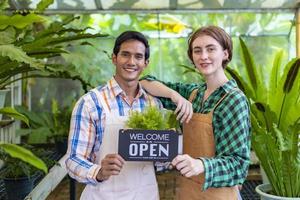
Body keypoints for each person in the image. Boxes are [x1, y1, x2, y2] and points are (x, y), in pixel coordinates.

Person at [140, 25, 251, 200]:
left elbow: (238, 165)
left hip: (219, 194)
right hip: (188, 190)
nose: (203, 56)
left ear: (225, 54)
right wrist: (173, 95)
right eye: (197, 50)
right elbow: (145, 82)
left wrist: (201, 165)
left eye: (211, 49)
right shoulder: (193, 94)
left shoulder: (233, 100)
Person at [65, 31, 163, 200]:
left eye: (138, 57)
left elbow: (160, 162)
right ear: (114, 58)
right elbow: (73, 160)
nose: (131, 62)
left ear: (145, 63)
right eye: (125, 54)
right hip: (104, 195)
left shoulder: (154, 105)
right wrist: (99, 171)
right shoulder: (90, 103)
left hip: (146, 194)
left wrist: (172, 155)